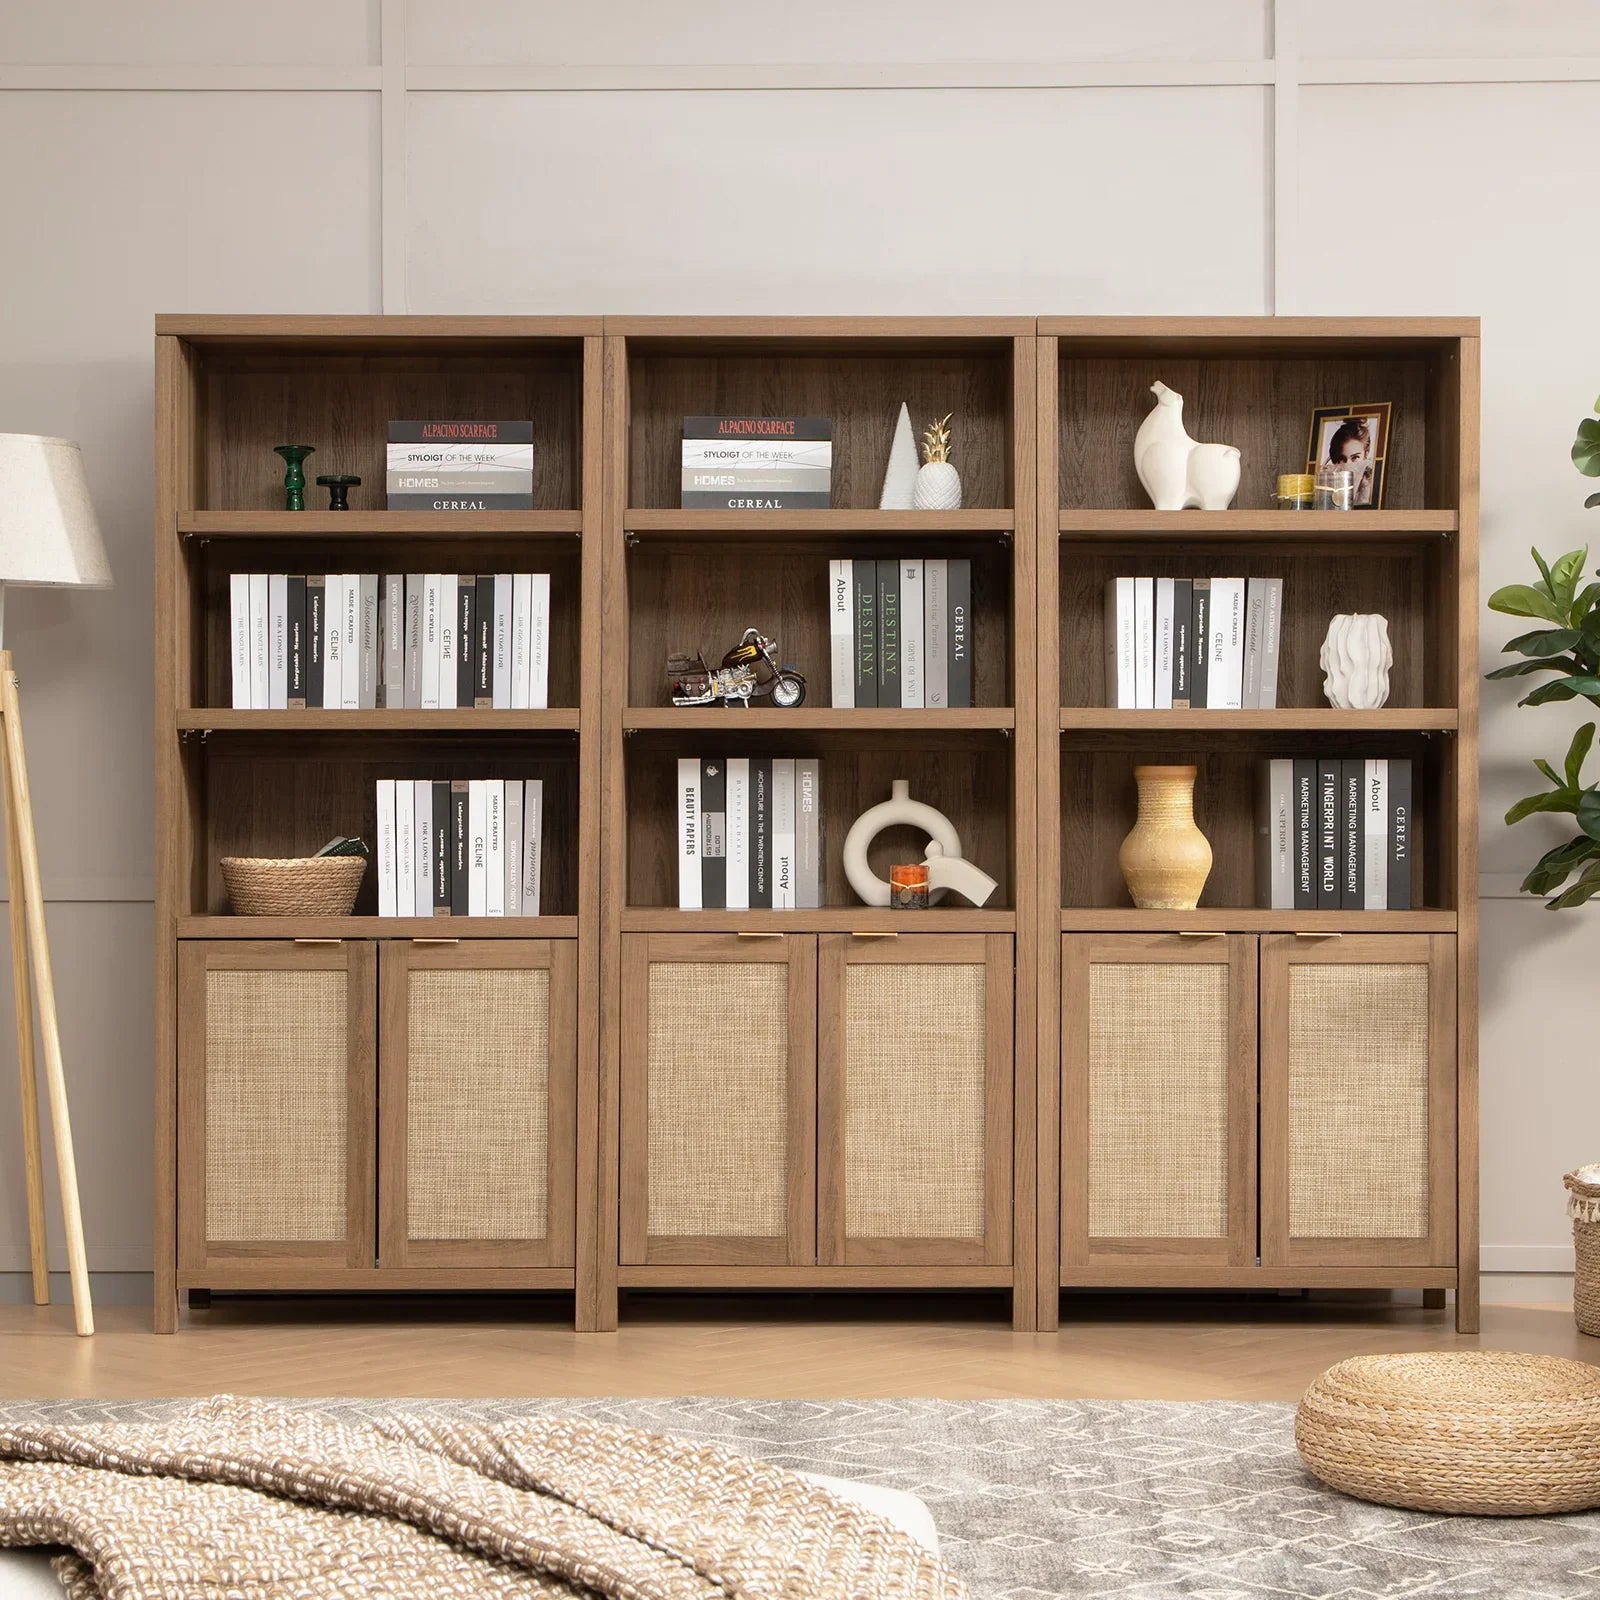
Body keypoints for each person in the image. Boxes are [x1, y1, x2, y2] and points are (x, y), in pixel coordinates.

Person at [1325, 415, 1376, 507]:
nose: (1348, 465)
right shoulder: (1325, 482)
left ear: (1366, 454)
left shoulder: (1374, 485)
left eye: (1355, 457)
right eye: (1342, 459)